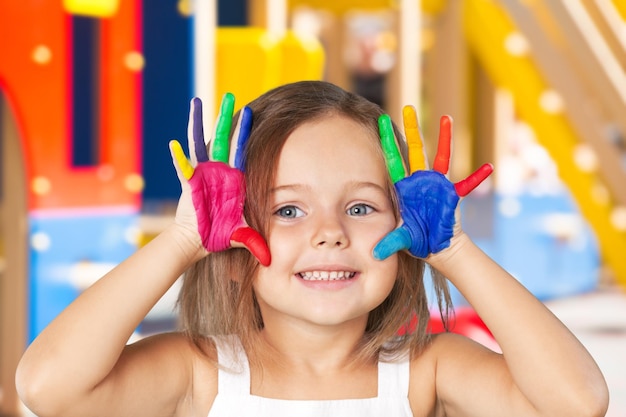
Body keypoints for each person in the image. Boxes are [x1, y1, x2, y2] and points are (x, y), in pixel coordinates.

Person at [16, 81, 608, 417]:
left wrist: (455, 250)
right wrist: (180, 242)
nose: (330, 233)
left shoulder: (428, 371)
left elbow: (577, 404)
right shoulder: (200, 373)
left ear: (407, 236)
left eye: (360, 208)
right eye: (288, 210)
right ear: (234, 243)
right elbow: (47, 387)